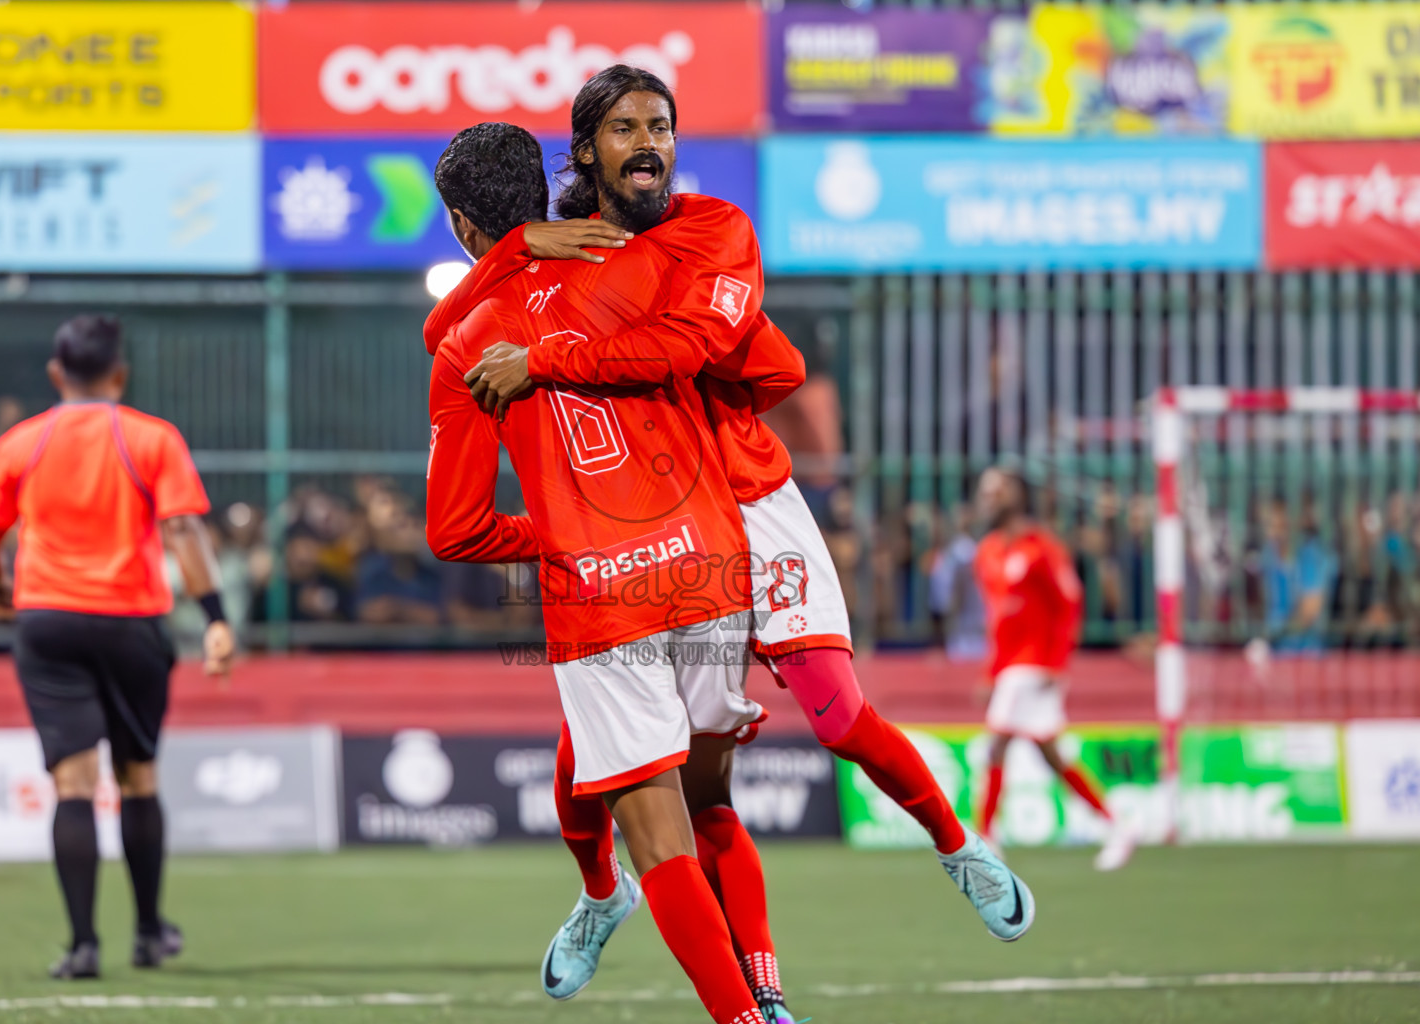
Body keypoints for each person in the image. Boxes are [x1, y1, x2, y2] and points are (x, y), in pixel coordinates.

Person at [430, 66, 1034, 1018]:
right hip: (647, 531)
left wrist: (530, 327)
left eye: (661, 126)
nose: (648, 143)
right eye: (625, 127)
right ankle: (611, 906)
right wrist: (519, 265)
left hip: (745, 501)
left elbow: (739, 359)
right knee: (604, 773)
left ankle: (956, 848)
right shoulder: (575, 262)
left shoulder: (705, 230)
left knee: (822, 722)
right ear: (582, 153)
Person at [426, 120, 775, 1024]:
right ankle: (765, 989)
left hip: (600, 597)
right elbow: (768, 363)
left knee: (654, 829)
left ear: (466, 229)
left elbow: (456, 532)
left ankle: (736, 1009)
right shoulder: (648, 262)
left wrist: (555, 535)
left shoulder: (464, 337)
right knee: (702, 802)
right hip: (708, 565)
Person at [0, 315, 235, 979]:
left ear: (57, 374)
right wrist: (216, 618)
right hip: (132, 621)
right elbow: (183, 533)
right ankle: (147, 933)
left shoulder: (19, 443)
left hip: (48, 620)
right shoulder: (151, 438)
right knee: (138, 776)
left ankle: (82, 945)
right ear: (120, 374)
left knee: (72, 784)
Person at [971, 466, 1134, 871]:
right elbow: (998, 621)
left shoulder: (1041, 547)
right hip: (1011, 666)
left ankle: (985, 839)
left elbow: (1069, 602)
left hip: (1036, 665)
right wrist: (992, 673)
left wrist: (1058, 663)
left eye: (997, 491)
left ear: (1016, 496)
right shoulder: (987, 552)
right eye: (984, 491)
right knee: (1049, 753)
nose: (988, 498)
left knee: (996, 745)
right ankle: (1118, 825)